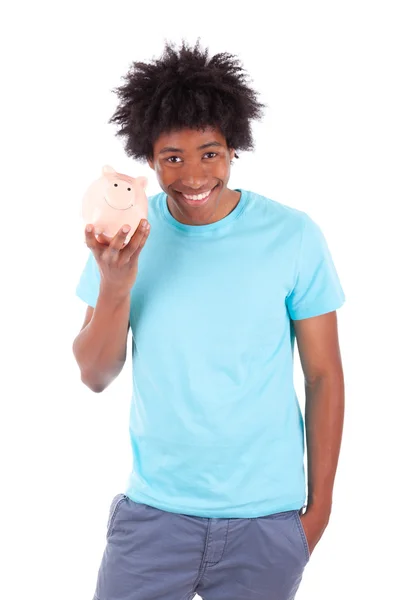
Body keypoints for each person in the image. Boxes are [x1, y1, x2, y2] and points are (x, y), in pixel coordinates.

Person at [73, 39, 346, 600]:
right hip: (153, 518)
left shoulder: (293, 236)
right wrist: (115, 284)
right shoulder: (124, 239)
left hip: (267, 524)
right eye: (173, 157)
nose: (194, 175)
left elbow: (323, 376)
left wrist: (317, 514)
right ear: (149, 159)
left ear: (233, 149)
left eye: (210, 152)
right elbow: (94, 374)